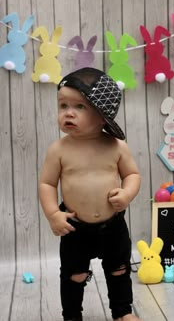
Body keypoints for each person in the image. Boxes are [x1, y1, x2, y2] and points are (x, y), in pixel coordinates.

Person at [39, 67, 142, 321]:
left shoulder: (116, 146)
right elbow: (47, 184)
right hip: (75, 227)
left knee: (119, 270)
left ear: (102, 116)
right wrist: (54, 214)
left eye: (79, 107)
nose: (68, 113)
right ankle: (72, 315)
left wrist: (127, 194)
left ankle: (123, 312)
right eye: (63, 105)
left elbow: (132, 175)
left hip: (113, 225)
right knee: (74, 275)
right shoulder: (58, 150)